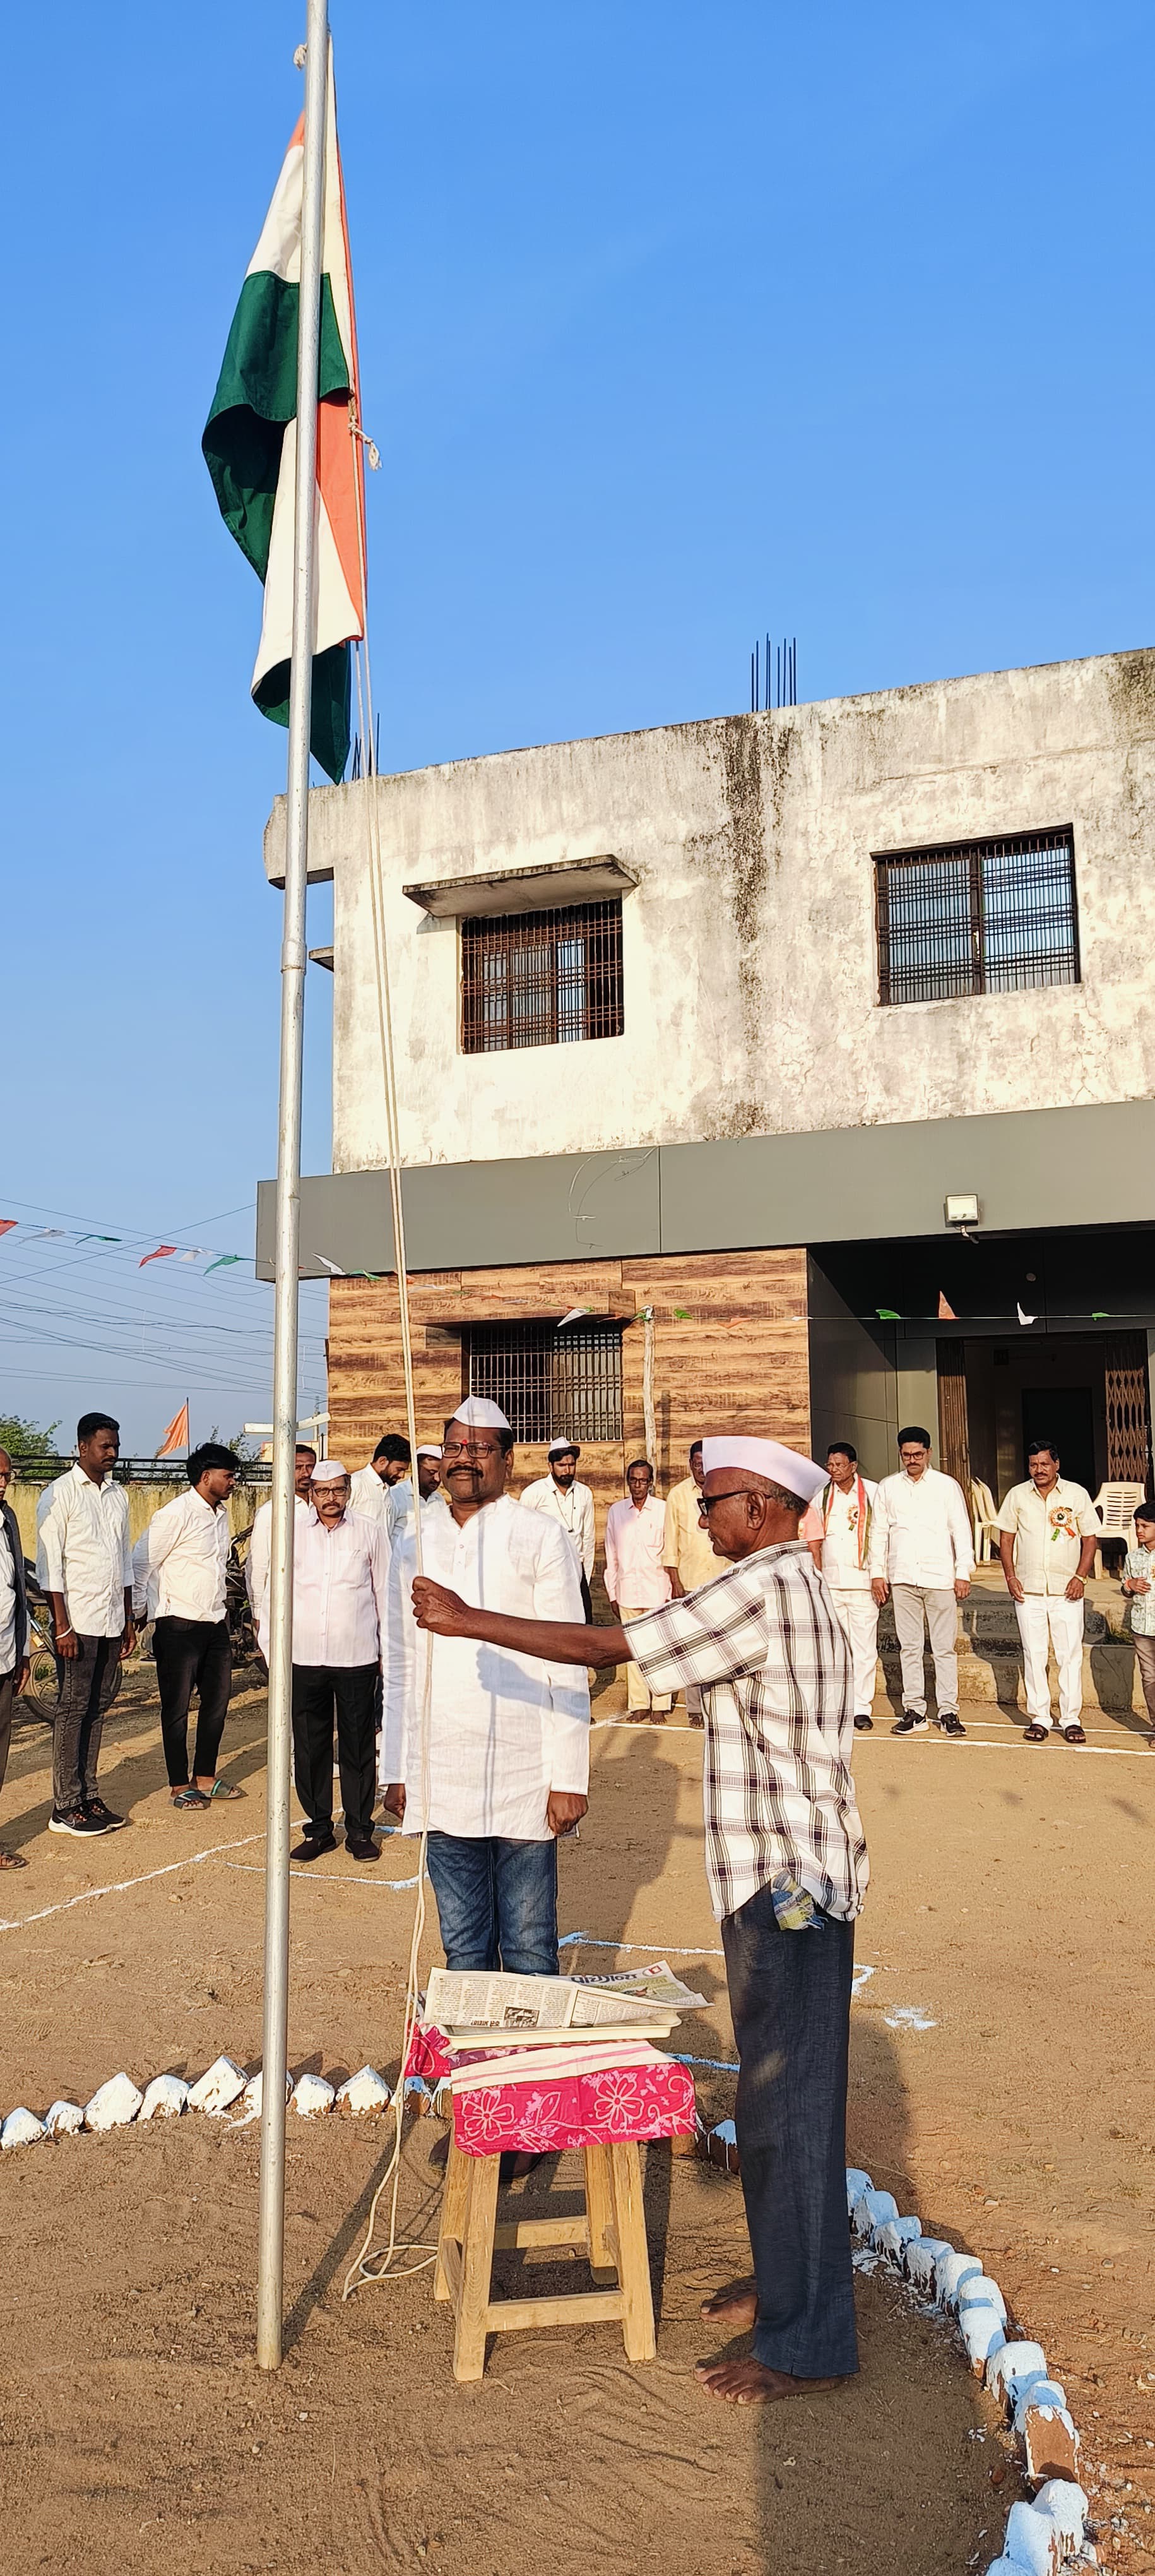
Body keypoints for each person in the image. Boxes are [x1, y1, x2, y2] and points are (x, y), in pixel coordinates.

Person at [410, 1431, 866, 2408]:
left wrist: (464, 1620)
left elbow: (608, 1646)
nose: (700, 1519)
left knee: (789, 2105)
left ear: (761, 1508)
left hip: (787, 1884)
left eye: (712, 1504)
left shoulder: (762, 1588)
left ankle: (809, 2344)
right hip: (785, 1875)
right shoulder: (787, 1585)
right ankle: (788, 2287)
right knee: (776, 2102)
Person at [381, 1396, 589, 1973]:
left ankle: (528, 2035)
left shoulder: (540, 1534)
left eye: (479, 1448)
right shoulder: (414, 1539)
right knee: (464, 1947)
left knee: (529, 1946)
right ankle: (474, 2035)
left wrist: (570, 1778)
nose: (464, 1458)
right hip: (442, 1770)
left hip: (525, 1771)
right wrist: (396, 1766)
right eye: (453, 1447)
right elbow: (399, 1661)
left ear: (507, 1460)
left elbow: (568, 1658)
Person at [36, 1412, 135, 1836]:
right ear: (82, 1448)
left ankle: (89, 1795)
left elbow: (124, 1561)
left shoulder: (118, 1495)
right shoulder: (59, 1494)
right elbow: (50, 1567)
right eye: (105, 1446)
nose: (112, 1453)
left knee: (98, 1708)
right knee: (73, 1709)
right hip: (77, 1623)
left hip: (111, 1619)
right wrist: (62, 1626)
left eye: (116, 1446)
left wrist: (128, 1618)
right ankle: (65, 1805)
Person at [289, 1461, 391, 1864]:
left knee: (358, 1745)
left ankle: (360, 1831)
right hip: (305, 1656)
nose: (330, 1498)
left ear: (348, 1490)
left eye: (338, 1490)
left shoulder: (369, 1530)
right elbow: (277, 1588)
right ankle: (318, 1830)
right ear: (311, 1493)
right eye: (322, 1491)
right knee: (310, 1746)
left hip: (357, 1655)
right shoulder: (293, 1532)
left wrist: (387, 1651)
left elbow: (384, 1591)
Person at [133, 1442, 242, 1809]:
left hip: (214, 1620)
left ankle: (205, 1777)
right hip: (178, 1624)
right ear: (206, 1476)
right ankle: (179, 1785)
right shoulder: (175, 1514)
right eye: (228, 1476)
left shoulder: (221, 1515)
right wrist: (140, 1613)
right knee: (177, 1708)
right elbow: (142, 1563)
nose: (233, 1482)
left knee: (218, 1702)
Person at [868, 1426, 973, 1738]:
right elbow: (879, 1532)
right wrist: (877, 1573)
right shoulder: (888, 1487)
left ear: (928, 1452)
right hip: (902, 1577)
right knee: (910, 1648)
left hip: (939, 1577)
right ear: (900, 1454)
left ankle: (949, 1711)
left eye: (917, 1454)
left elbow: (961, 1529)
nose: (912, 1460)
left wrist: (963, 1572)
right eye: (906, 1455)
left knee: (944, 1649)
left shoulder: (946, 1486)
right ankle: (914, 1710)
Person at [997, 1438, 1101, 1745]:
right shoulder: (1017, 1495)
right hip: (1028, 1590)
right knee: (1034, 1655)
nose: (1039, 1470)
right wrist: (1010, 1576)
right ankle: (1040, 1717)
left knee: (1070, 1656)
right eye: (1033, 1464)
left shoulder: (1076, 1494)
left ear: (1057, 1465)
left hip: (1066, 1591)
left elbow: (1090, 1539)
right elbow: (1006, 1539)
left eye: (1044, 1464)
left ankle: (1071, 1719)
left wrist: (1081, 1577)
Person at [808, 1444, 880, 1732]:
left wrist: (880, 1575)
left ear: (853, 1466)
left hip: (863, 1583)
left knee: (864, 1649)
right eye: (830, 1465)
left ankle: (861, 1707)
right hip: (831, 1584)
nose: (834, 1469)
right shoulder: (821, 1495)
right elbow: (813, 1539)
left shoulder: (873, 1492)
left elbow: (881, 1536)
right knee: (834, 1648)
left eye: (839, 1465)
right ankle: (837, 1704)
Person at [604, 1459, 672, 1719]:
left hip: (657, 1591)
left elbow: (670, 1552)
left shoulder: (663, 1510)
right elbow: (611, 1554)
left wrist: (670, 1593)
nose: (638, 1485)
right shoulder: (617, 1512)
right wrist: (612, 1593)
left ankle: (660, 1704)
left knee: (659, 1649)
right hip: (627, 1591)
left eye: (643, 1480)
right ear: (628, 1482)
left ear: (650, 1483)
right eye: (633, 1480)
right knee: (633, 1650)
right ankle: (639, 1703)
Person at [663, 1440, 723, 1725]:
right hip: (689, 1580)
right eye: (697, 1464)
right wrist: (675, 1580)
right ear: (690, 1465)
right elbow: (670, 1541)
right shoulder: (678, 1495)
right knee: (692, 1646)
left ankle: (719, 1704)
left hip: (721, 1579)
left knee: (719, 1646)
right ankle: (696, 1708)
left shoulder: (721, 1489)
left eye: (705, 1464)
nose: (701, 1469)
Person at [520, 1437, 596, 1618]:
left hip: (578, 1572)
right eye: (562, 1465)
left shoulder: (584, 1493)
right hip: (546, 1573)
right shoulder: (534, 1493)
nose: (567, 1470)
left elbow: (588, 1537)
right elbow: (522, 1536)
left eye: (571, 1465)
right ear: (551, 1465)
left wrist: (585, 1577)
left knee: (583, 1623)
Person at [245, 1443, 316, 1621]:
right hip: (282, 1605)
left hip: (315, 1602)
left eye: (310, 1467)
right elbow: (259, 1564)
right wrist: (257, 1611)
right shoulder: (272, 1511)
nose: (306, 1473)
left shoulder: (321, 1509)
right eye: (298, 1468)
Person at [0, 1449, 30, 1869]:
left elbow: (17, 1590)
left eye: (7, 1475)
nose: (3, 1482)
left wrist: (23, 1653)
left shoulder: (7, 1520)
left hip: (5, 1655)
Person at [1122, 1503, 1155, 1745]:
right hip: (1142, 1628)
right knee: (1150, 1678)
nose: (1139, 1530)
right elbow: (1126, 1588)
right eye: (1137, 1526)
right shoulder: (1132, 1557)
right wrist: (1129, 1586)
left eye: (1145, 1526)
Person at [350, 1434, 412, 1538]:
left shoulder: (387, 1491)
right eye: (399, 1469)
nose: (402, 1476)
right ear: (382, 1462)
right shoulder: (356, 1483)